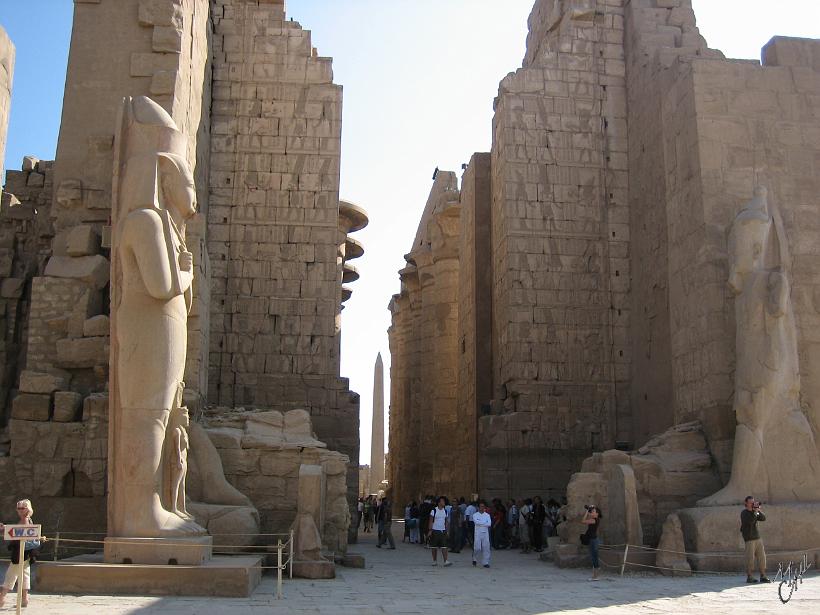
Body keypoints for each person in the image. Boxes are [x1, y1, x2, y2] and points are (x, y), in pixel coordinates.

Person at [0, 499, 42, 608]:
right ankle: (24, 599)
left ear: (27, 509)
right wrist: (6, 528)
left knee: (11, 574)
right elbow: (17, 532)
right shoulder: (28, 520)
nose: (19, 510)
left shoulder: (25, 520)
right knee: (24, 574)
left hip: (20, 552)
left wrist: (6, 529)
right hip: (26, 552)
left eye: (22, 508)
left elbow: (20, 533)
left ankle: (1, 598)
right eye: (18, 508)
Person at [741, 496, 770, 583]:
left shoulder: (755, 512)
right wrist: (755, 512)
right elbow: (750, 521)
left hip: (758, 538)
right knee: (750, 558)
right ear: (746, 503)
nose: (752, 504)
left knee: (762, 557)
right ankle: (749, 577)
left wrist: (758, 510)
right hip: (749, 539)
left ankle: (763, 576)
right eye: (750, 502)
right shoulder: (744, 513)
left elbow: (763, 518)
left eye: (753, 502)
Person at [581, 504, 602, 581]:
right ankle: (594, 576)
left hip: (593, 540)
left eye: (594, 511)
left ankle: (596, 576)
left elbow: (583, 521)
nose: (591, 512)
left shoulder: (594, 520)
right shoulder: (595, 519)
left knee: (594, 558)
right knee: (593, 557)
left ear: (597, 514)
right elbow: (590, 514)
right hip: (593, 539)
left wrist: (587, 511)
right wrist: (591, 508)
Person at [428, 497, 451, 566]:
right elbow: (431, 521)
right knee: (434, 547)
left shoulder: (445, 511)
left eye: (444, 501)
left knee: (444, 546)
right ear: (439, 502)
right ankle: (434, 561)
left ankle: (445, 561)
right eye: (442, 501)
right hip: (435, 530)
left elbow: (446, 521)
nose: (443, 502)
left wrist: (447, 530)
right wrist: (430, 530)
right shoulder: (434, 510)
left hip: (443, 530)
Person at [472, 500, 492, 568]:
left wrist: (481, 523)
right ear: (478, 507)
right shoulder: (475, 515)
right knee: (477, 548)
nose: (482, 508)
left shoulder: (487, 515)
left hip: (485, 533)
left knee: (486, 547)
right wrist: (484, 523)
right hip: (477, 533)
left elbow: (489, 524)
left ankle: (485, 562)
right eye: (480, 506)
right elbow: (476, 522)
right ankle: (474, 558)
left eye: (483, 506)